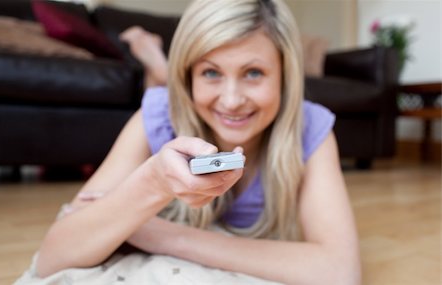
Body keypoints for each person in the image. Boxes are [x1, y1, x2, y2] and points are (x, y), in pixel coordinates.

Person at [32, 0, 361, 284]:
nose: (231, 101)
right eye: (211, 73)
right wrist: (153, 182)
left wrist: (163, 236)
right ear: (188, 78)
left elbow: (339, 273)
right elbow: (52, 258)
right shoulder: (159, 115)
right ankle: (155, 62)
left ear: (285, 77)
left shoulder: (311, 127)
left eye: (254, 73)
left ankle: (156, 61)